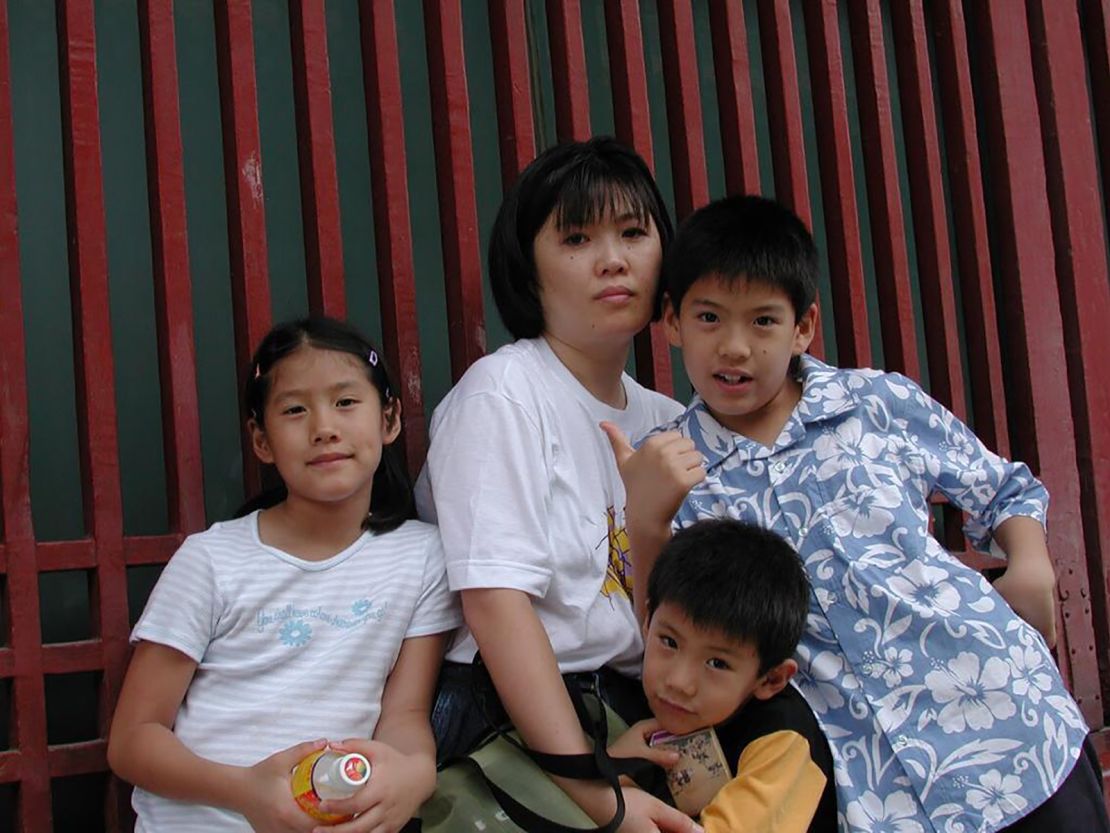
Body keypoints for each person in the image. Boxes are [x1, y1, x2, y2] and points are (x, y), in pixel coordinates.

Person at [603, 195, 1108, 832]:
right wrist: (646, 520)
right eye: (709, 317)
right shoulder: (675, 471)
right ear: (672, 321)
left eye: (763, 321)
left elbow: (1004, 489)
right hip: (871, 788)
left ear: (803, 326)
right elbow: (673, 631)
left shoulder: (874, 402)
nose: (734, 347)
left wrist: (1031, 564)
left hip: (1009, 729)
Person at [415, 137, 697, 831]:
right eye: (576, 238)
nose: (613, 259)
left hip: (628, 699)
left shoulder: (669, 419)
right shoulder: (504, 394)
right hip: (508, 712)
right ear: (528, 268)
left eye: (634, 232)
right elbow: (496, 607)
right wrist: (601, 795)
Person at [108, 317, 460, 833]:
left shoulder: (422, 557)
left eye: (345, 402)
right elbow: (134, 738)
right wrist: (246, 791)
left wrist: (414, 773)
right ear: (262, 440)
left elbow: (403, 714)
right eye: (295, 410)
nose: (324, 427)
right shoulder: (212, 559)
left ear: (389, 420)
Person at [608, 519, 836, 832]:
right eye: (669, 642)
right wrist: (614, 765)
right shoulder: (635, 706)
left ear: (771, 679)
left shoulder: (782, 739)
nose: (679, 681)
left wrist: (611, 786)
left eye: (717, 663)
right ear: (648, 622)